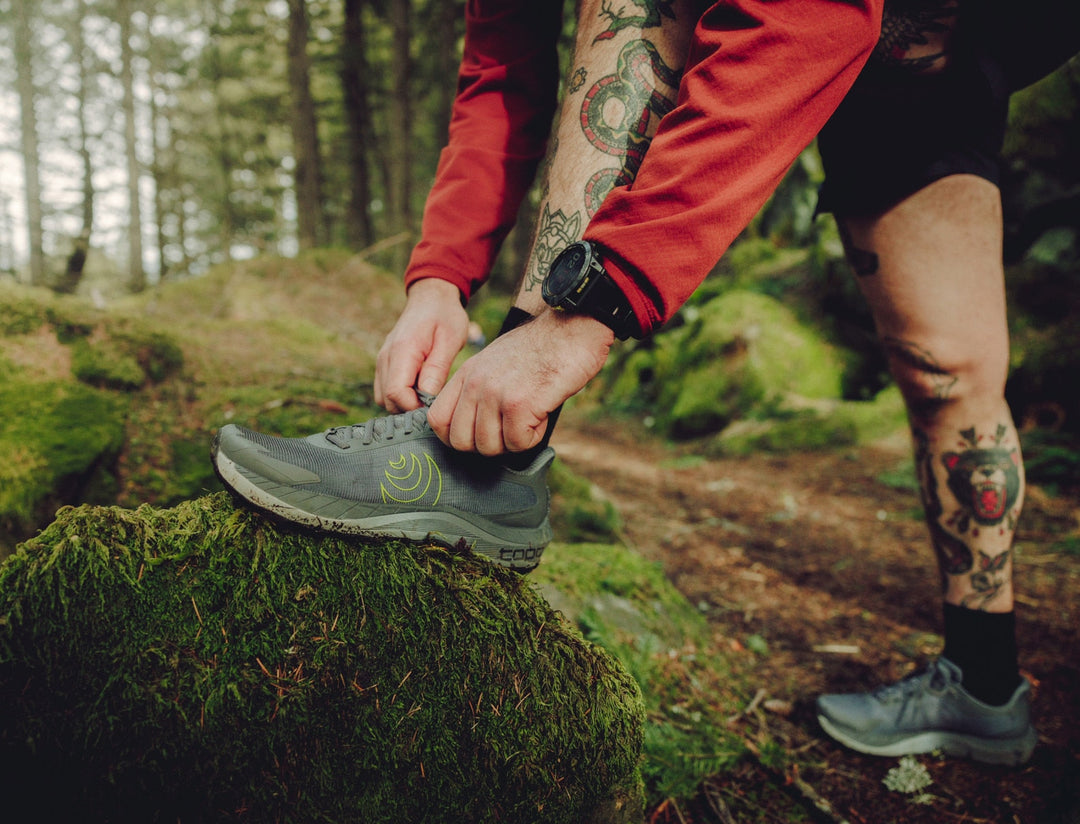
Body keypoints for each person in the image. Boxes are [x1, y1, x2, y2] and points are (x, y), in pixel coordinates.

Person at [212, 0, 1077, 767]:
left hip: (936, 36)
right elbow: (501, 75)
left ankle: (983, 686)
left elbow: (813, 13)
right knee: (942, 370)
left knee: (954, 373)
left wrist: (580, 319)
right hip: (847, 43)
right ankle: (498, 465)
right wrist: (439, 281)